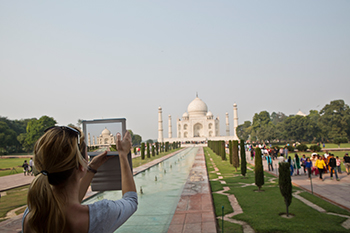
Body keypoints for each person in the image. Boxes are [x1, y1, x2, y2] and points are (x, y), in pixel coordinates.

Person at [22, 126, 137, 233]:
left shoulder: (32, 214)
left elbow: (65, 204)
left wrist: (91, 168)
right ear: (82, 166)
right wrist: (122, 154)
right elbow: (131, 200)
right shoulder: (100, 215)